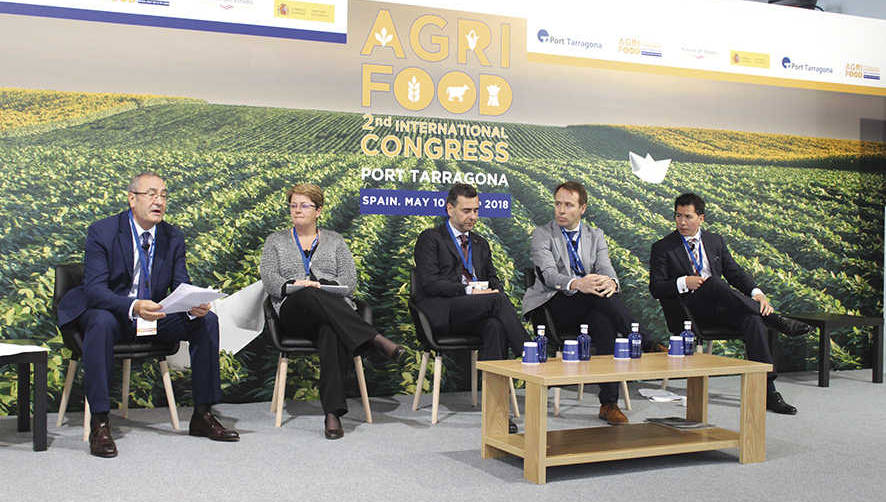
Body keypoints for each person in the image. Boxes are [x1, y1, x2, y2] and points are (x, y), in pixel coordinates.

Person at [56, 172, 239, 458]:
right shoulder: (102, 231)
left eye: (164, 195)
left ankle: (203, 414)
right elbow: (95, 290)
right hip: (113, 312)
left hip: (153, 315)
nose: (159, 201)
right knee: (101, 323)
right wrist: (133, 305)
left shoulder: (172, 236)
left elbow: (180, 283)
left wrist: (192, 303)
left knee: (206, 321)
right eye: (151, 194)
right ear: (132, 199)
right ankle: (100, 422)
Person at [260, 183, 404, 440]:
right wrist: (296, 285)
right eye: (293, 205)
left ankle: (332, 414)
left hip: (330, 311)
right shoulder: (276, 241)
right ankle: (374, 338)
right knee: (307, 292)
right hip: (294, 311)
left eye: (304, 205)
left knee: (330, 330)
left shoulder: (336, 241)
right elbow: (269, 278)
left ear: (319, 210)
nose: (297, 210)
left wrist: (323, 285)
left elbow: (350, 279)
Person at [649, 192, 812, 415]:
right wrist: (684, 282)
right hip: (689, 311)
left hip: (722, 307)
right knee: (715, 283)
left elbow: (735, 273)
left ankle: (769, 391)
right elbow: (656, 287)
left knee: (752, 319)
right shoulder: (663, 247)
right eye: (678, 216)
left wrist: (757, 293)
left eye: (687, 217)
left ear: (701, 218)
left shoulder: (714, 241)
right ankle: (774, 319)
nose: (681, 222)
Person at [413, 184, 528, 431]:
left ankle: (496, 412)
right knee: (496, 301)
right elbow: (430, 284)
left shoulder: (480, 243)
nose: (473, 217)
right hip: (444, 313)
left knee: (495, 326)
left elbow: (493, 278)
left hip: (474, 312)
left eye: (476, 210)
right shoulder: (430, 239)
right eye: (467, 211)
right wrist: (469, 289)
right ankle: (529, 354)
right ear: (450, 209)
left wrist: (489, 288)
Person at [523, 181, 636, 425]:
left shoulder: (595, 236)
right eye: (557, 204)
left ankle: (608, 404)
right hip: (554, 305)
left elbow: (607, 269)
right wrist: (578, 283)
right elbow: (550, 276)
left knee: (604, 322)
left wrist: (611, 284)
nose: (561, 210)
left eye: (568, 205)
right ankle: (642, 338)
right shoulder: (543, 234)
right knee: (593, 295)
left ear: (582, 208)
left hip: (590, 305)